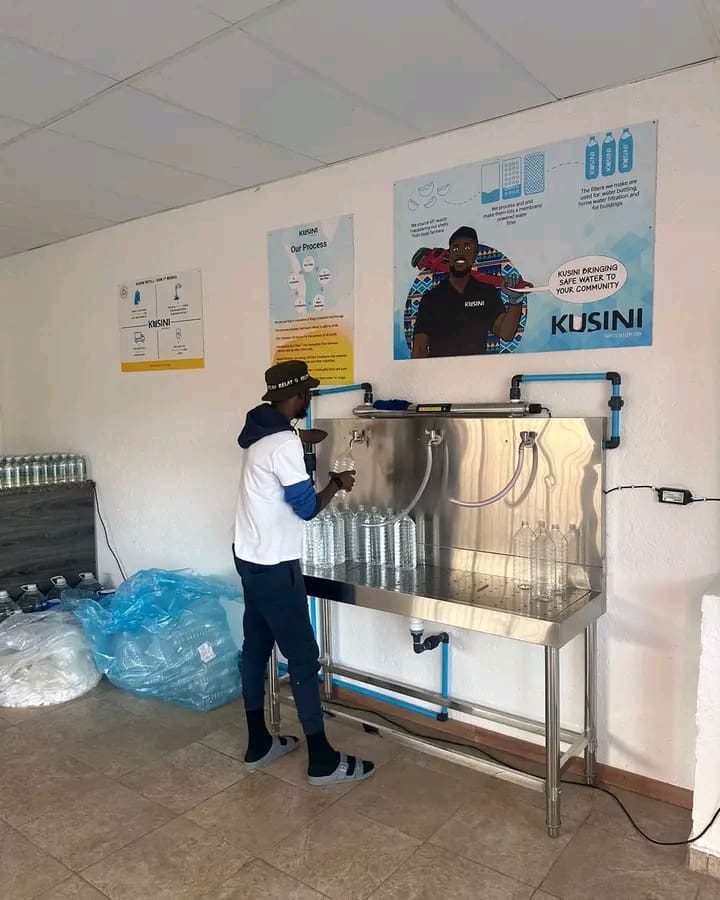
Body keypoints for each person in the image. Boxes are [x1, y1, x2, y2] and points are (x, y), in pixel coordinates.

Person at [232, 359, 375, 786]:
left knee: (256, 647)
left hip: (249, 557)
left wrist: (301, 438)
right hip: (276, 566)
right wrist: (337, 483)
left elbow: (282, 447)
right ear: (297, 397)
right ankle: (322, 760)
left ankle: (258, 743)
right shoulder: (283, 445)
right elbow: (307, 508)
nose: (309, 398)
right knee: (303, 658)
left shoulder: (261, 433)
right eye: (307, 392)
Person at [412, 226, 525, 358]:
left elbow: (506, 334)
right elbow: (419, 348)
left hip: (477, 369)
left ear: (475, 254)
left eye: (467, 248)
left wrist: (515, 301)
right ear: (449, 254)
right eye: (455, 248)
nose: (460, 253)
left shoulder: (487, 293)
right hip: (441, 370)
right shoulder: (431, 299)